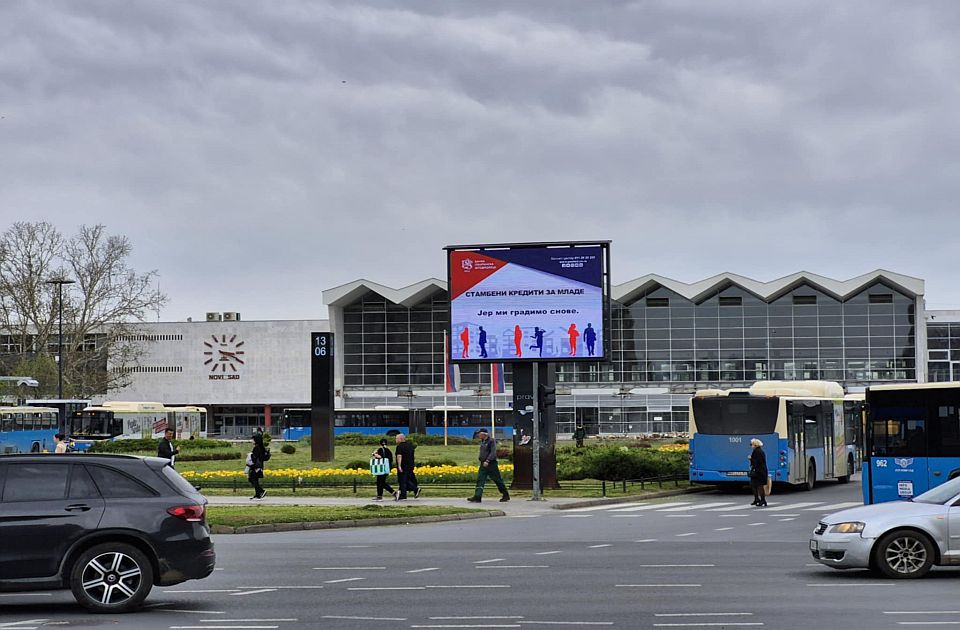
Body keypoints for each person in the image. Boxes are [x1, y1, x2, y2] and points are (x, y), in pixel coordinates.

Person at [468, 428, 510, 503]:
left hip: (491, 464)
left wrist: (488, 460)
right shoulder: (482, 441)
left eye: (479, 434)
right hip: (483, 464)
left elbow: (493, 453)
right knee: (480, 479)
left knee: (497, 479)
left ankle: (505, 494)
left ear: (484, 434)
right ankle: (477, 496)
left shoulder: (491, 441)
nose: (478, 435)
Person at [394, 433, 420, 500]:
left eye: (396, 439)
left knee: (402, 481)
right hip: (410, 465)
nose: (395, 440)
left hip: (403, 466)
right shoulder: (410, 446)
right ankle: (404, 493)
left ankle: (414, 489)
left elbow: (399, 456)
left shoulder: (399, 446)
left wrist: (399, 466)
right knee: (407, 480)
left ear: (400, 439)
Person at [247, 432, 269, 500]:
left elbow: (255, 457)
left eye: (253, 439)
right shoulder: (261, 448)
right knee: (254, 479)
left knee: (252, 479)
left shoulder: (257, 448)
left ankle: (261, 491)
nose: (252, 441)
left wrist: (250, 455)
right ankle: (258, 494)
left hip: (255, 466)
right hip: (259, 466)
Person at [748, 438, 768, 507]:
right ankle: (757, 499)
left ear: (755, 445)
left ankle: (762, 500)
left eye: (752, 444)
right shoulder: (759, 451)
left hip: (759, 472)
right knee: (754, 485)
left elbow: (756, 462)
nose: (751, 446)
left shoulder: (756, 451)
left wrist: (750, 459)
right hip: (760, 471)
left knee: (759, 486)